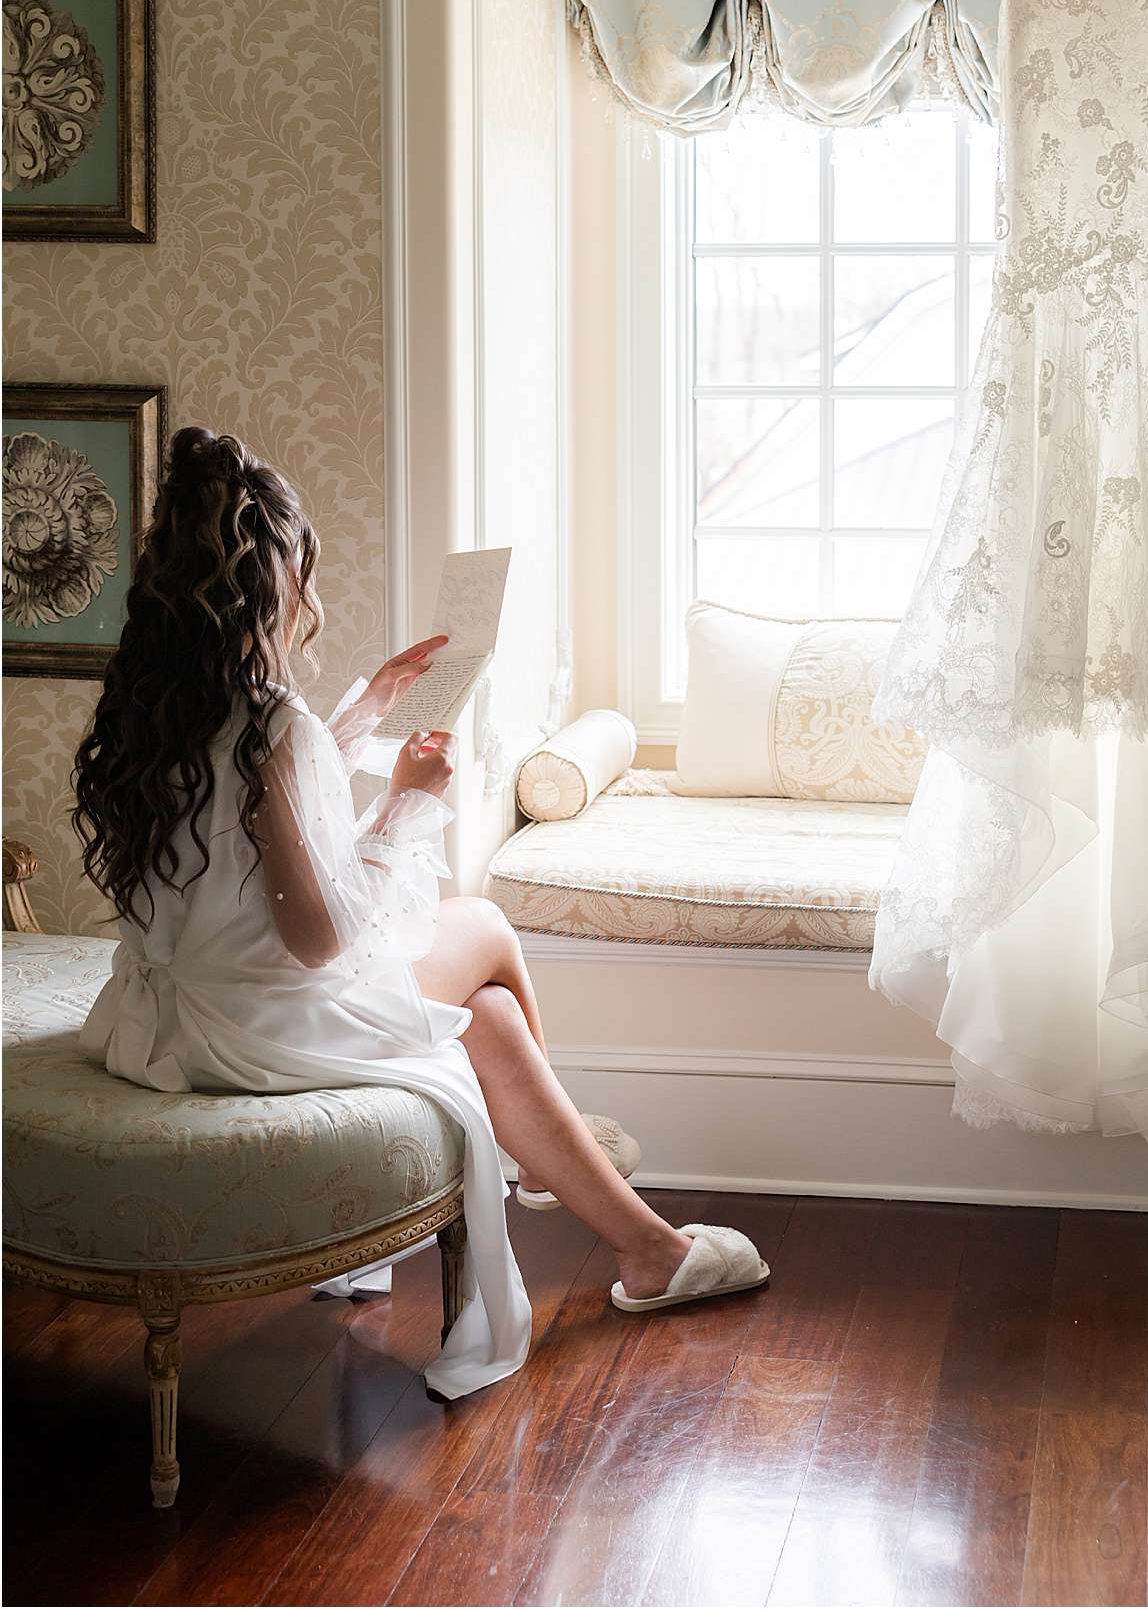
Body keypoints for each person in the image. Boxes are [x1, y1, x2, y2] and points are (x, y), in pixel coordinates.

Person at [73, 425, 767, 1399]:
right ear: (273, 585)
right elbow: (316, 938)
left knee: (482, 1021)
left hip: (164, 1022)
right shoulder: (268, 724)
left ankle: (631, 1234)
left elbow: (243, 827)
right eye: (303, 578)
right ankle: (563, 1166)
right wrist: (410, 799)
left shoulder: (148, 708)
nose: (311, 602)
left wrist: (365, 710)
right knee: (481, 928)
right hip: (257, 1029)